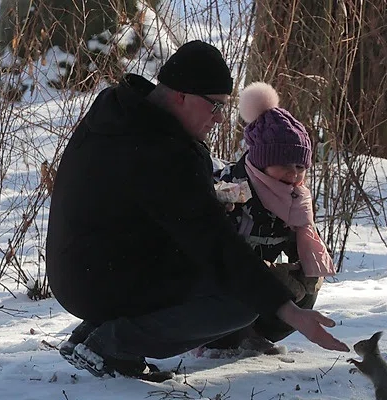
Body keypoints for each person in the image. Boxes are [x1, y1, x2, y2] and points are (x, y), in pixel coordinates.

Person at [45, 40, 349, 381]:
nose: (219, 118)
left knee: (212, 266)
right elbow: (212, 242)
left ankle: (94, 335)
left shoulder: (118, 115)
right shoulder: (162, 150)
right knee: (239, 301)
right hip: (101, 277)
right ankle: (111, 344)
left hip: (81, 271)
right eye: (215, 106)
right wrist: (290, 311)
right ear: (181, 95)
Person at [205, 82, 336, 353]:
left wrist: (298, 272)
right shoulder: (231, 190)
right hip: (223, 283)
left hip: (259, 282)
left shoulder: (295, 199)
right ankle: (221, 339)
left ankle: (256, 335)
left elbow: (300, 253)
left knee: (306, 282)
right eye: (285, 165)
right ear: (262, 161)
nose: (294, 174)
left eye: (301, 166)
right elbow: (215, 253)